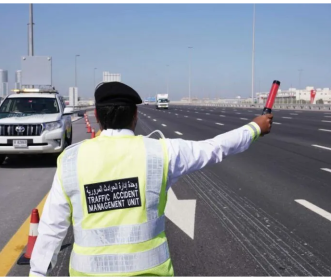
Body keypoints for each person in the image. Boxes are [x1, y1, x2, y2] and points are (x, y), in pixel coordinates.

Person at [29, 81, 273, 277]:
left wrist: (38, 273)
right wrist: (255, 127)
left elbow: (52, 229)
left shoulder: (71, 160)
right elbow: (213, 148)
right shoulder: (161, 153)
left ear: (96, 116)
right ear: (135, 115)